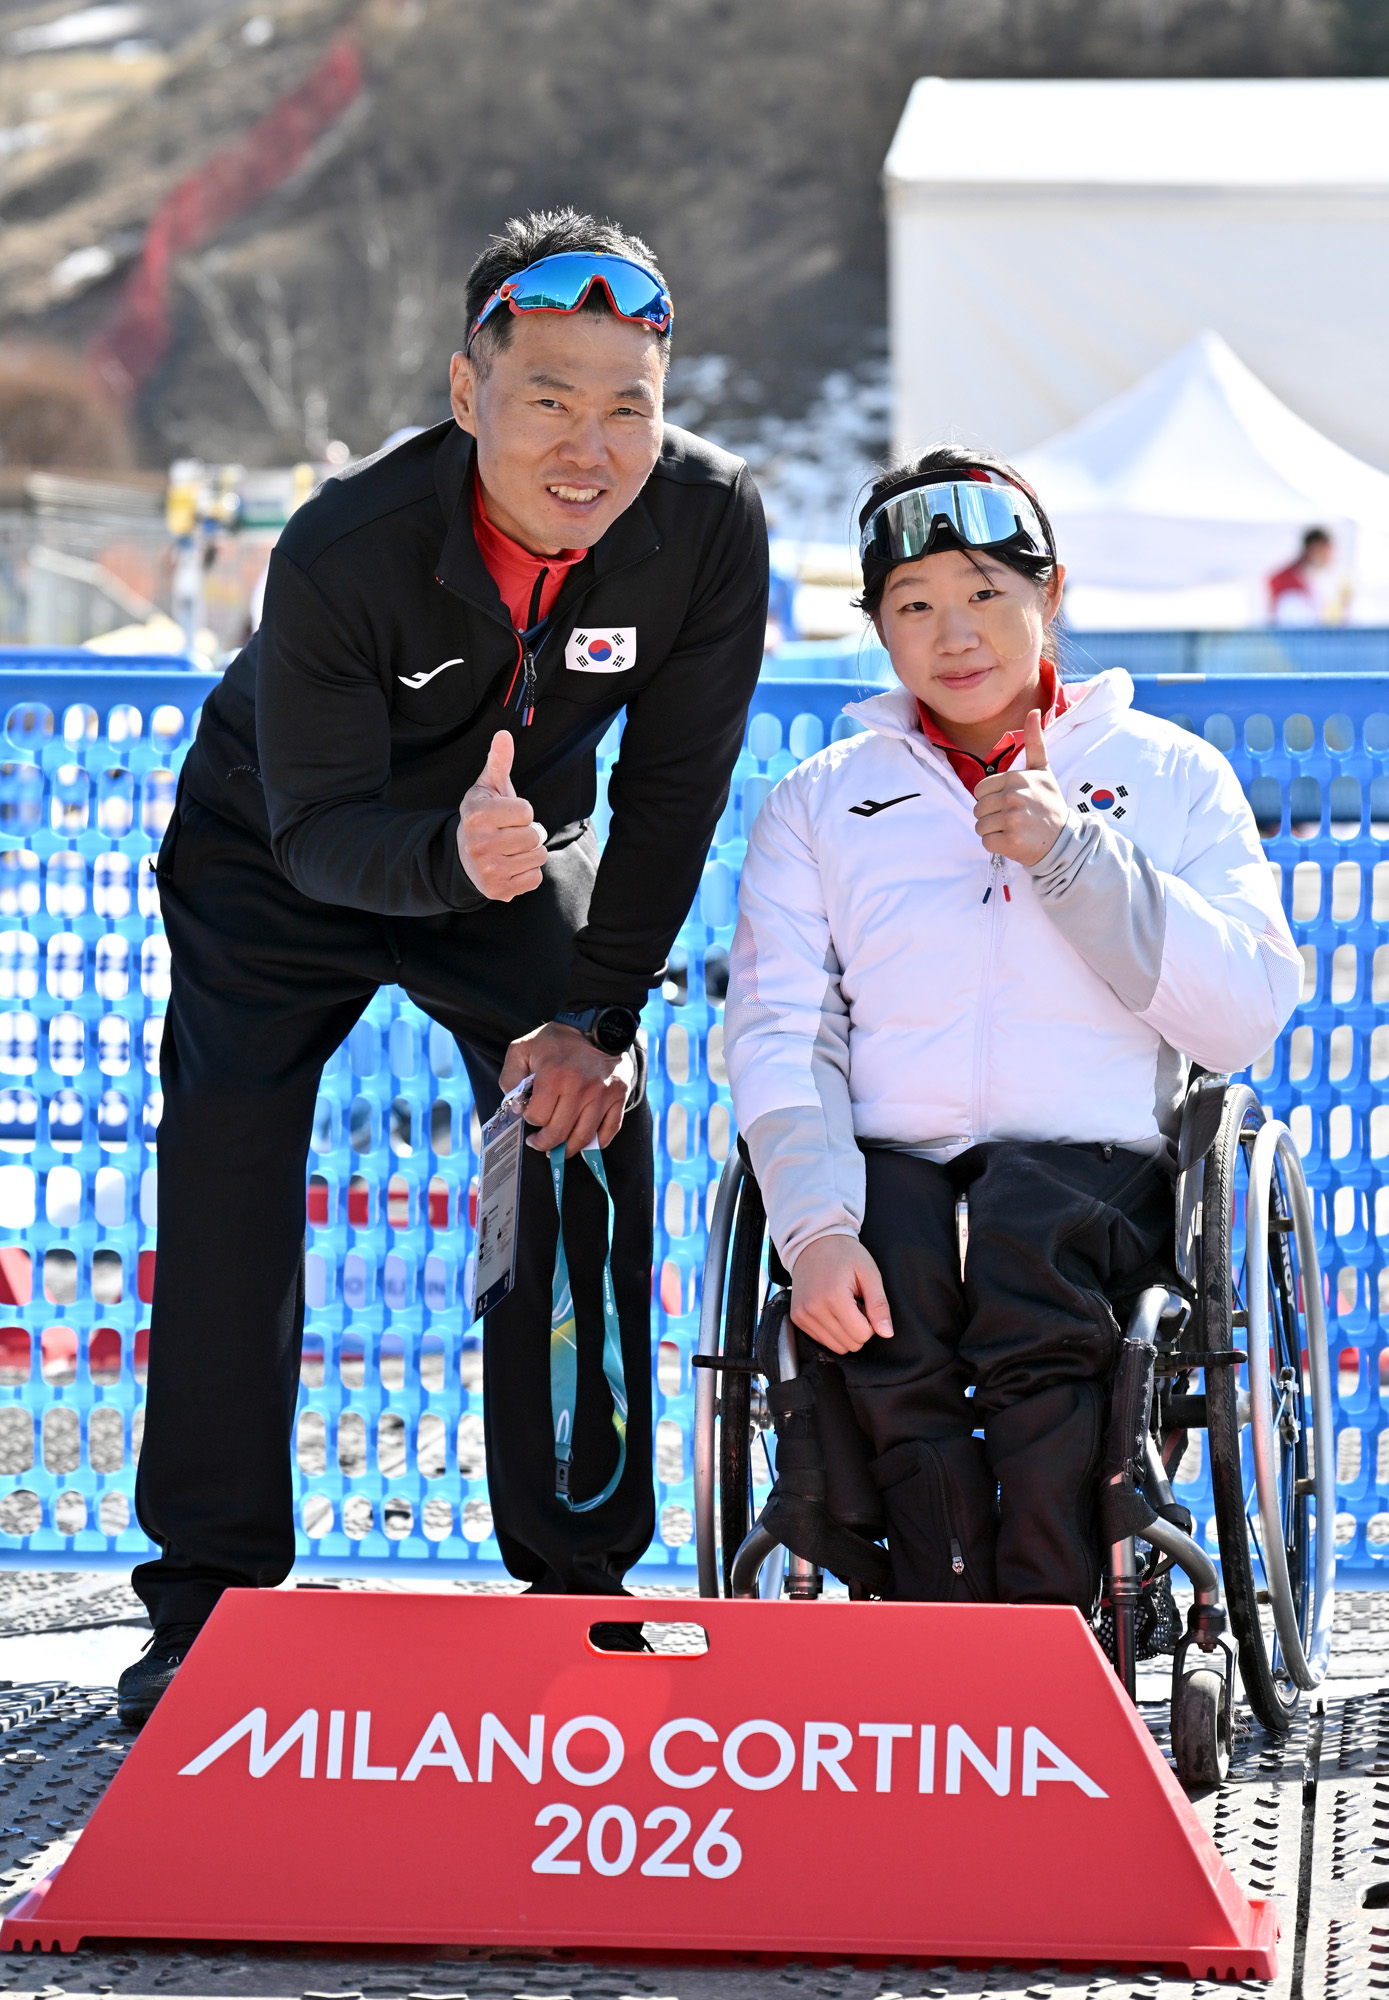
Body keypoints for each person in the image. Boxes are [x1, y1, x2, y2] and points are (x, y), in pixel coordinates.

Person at [117, 210, 768, 1724]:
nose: (589, 447)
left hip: (514, 858)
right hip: (281, 852)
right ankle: (205, 1599)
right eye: (547, 399)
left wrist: (599, 1017)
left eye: (629, 406)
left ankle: (581, 1572)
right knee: (225, 1165)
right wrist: (442, 861)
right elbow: (319, 829)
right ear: (468, 392)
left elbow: (674, 799)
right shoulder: (347, 542)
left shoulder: (705, 529)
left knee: (590, 1128)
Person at [724, 446, 1300, 1609]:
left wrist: (1076, 857)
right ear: (878, 630)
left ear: (1053, 592)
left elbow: (1242, 1016)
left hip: (1092, 1170)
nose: (956, 633)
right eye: (915, 604)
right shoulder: (822, 798)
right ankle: (945, 1631)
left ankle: (1053, 1629)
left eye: (988, 592)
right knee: (885, 1300)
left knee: (1038, 1285)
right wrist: (814, 1227)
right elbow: (782, 1028)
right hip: (889, 1170)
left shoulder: (1170, 773)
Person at [1268, 527, 1348, 626]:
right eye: (1319, 550)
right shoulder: (1288, 581)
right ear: (1310, 550)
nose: (1324, 556)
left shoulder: (1337, 579)